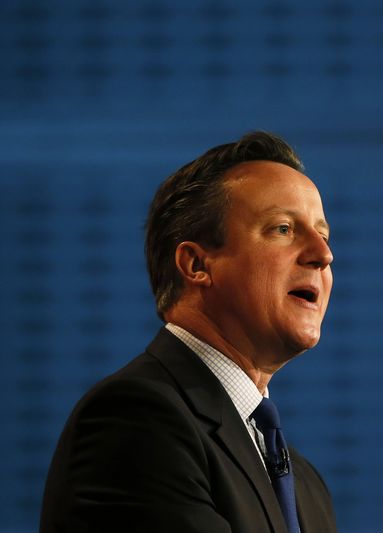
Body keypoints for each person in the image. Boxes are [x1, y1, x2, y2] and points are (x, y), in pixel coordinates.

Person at [40, 132, 337, 533]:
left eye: (323, 234)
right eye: (283, 228)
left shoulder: (306, 484)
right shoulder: (136, 420)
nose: (323, 254)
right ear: (197, 264)